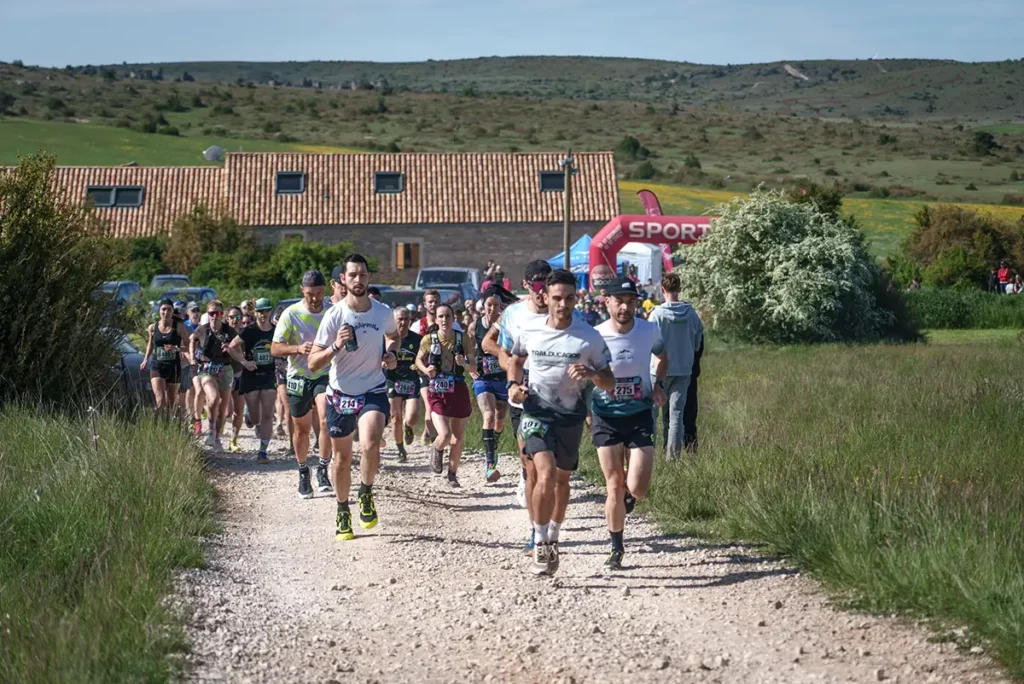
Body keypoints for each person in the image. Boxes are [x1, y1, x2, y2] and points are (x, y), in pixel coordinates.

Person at [507, 269, 614, 576]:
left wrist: (591, 374)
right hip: (536, 413)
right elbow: (516, 359)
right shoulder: (530, 330)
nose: (563, 304)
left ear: (576, 299)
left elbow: (609, 381)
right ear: (545, 297)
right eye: (557, 298)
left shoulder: (589, 337)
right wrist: (513, 385)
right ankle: (540, 541)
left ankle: (553, 534)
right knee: (544, 473)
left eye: (569, 298)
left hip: (570, 416)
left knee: (562, 481)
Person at [308, 254, 398, 540]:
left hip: (373, 388)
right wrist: (336, 346)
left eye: (362, 274)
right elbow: (313, 363)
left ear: (369, 277)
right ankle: (342, 509)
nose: (358, 280)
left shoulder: (382, 312)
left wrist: (391, 353)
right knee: (342, 458)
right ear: (343, 280)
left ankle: (366, 492)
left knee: (370, 444)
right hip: (340, 393)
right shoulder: (334, 316)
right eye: (352, 275)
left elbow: (393, 335)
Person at [592, 279, 668, 570]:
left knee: (638, 488)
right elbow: (586, 374)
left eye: (630, 301)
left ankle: (627, 495)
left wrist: (658, 385)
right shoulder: (596, 335)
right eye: (619, 301)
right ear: (607, 302)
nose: (625, 307)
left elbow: (662, 357)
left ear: (637, 303)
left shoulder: (649, 330)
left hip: (639, 414)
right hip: (605, 416)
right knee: (613, 484)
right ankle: (616, 548)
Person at [481, 259, 554, 552]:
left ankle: (549, 522)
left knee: (555, 471)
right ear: (526, 284)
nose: (542, 289)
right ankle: (537, 531)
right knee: (532, 466)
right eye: (537, 283)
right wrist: (512, 366)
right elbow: (489, 343)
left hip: (557, 398)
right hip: (522, 398)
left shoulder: (563, 309)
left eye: (547, 282)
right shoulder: (513, 313)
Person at [271, 270, 334, 499]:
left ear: (325, 290)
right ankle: (303, 470)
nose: (315, 298)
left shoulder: (331, 311)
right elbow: (275, 348)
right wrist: (297, 348)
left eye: (319, 293)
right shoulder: (291, 313)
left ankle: (323, 468)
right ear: (302, 291)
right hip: (298, 376)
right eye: (310, 294)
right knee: (301, 429)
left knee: (326, 419)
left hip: (325, 374)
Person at [416, 303, 475, 487]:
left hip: (458, 388)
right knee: (445, 434)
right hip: (437, 391)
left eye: (448, 316)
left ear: (453, 318)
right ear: (436, 319)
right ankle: (437, 447)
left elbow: (473, 366)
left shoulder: (463, 339)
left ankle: (452, 475)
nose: (444, 320)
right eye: (440, 316)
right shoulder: (428, 339)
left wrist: (464, 363)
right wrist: (426, 369)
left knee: (457, 438)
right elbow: (418, 359)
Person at [647, 272, 704, 460]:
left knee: (652, 415)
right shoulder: (691, 314)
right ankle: (673, 458)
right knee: (676, 416)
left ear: (662, 290)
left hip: (658, 370)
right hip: (683, 369)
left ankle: (648, 455)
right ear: (679, 289)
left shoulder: (656, 314)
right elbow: (697, 344)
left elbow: (648, 344)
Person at [191, 300, 253, 453]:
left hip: (225, 369)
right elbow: (192, 340)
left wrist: (244, 361)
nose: (214, 316)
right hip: (207, 368)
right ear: (208, 314)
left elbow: (237, 351)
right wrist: (193, 358)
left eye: (218, 313)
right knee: (213, 399)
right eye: (212, 313)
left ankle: (216, 437)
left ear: (221, 314)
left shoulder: (229, 331)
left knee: (223, 409)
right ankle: (210, 430)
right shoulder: (202, 329)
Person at [229, 298, 277, 463]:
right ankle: (250, 416)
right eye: (260, 311)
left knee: (268, 414)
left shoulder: (276, 331)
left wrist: (281, 361)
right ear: (255, 313)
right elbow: (231, 347)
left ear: (270, 311)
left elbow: (283, 347)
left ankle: (262, 451)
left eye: (266, 311)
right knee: (256, 418)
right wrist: (244, 362)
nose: (263, 314)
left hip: (268, 374)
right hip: (251, 375)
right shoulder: (249, 330)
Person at [414, 290, 462, 445]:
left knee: (446, 407)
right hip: (426, 371)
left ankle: (437, 434)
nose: (433, 304)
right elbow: (414, 349)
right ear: (424, 304)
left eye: (436, 301)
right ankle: (435, 438)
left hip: (448, 373)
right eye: (430, 302)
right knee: (430, 405)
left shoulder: (453, 324)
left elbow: (461, 344)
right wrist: (421, 367)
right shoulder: (417, 325)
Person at [471, 293, 507, 482]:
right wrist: (470, 368)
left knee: (499, 421)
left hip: (502, 378)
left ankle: (494, 444)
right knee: (489, 415)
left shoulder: (506, 325)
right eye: (489, 305)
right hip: (483, 378)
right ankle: (490, 463)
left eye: (496, 305)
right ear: (483, 306)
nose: (492, 309)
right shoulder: (475, 325)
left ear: (501, 307)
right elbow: (467, 349)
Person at [141, 298, 191, 419]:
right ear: (159, 310)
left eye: (169, 309)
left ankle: (167, 426)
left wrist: (176, 348)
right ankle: (154, 424)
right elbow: (150, 344)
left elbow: (190, 346)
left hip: (174, 367)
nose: (166, 312)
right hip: (157, 366)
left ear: (172, 311)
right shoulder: (152, 327)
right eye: (163, 309)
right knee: (160, 401)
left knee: (171, 404)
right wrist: (145, 359)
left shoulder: (179, 327)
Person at [386, 306, 422, 463]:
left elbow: (423, 358)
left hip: (411, 380)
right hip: (392, 380)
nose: (403, 322)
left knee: (412, 417)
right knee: (396, 417)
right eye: (400, 319)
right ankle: (400, 450)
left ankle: (408, 427)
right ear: (393, 321)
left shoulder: (417, 339)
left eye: (406, 319)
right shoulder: (387, 339)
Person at [223, 306, 247, 452]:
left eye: (237, 317)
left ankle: (233, 440)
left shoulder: (245, 334)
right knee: (226, 411)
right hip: (224, 375)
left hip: (239, 374)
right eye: (232, 317)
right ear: (227, 318)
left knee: (239, 410)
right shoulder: (222, 334)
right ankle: (216, 434)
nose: (235, 320)